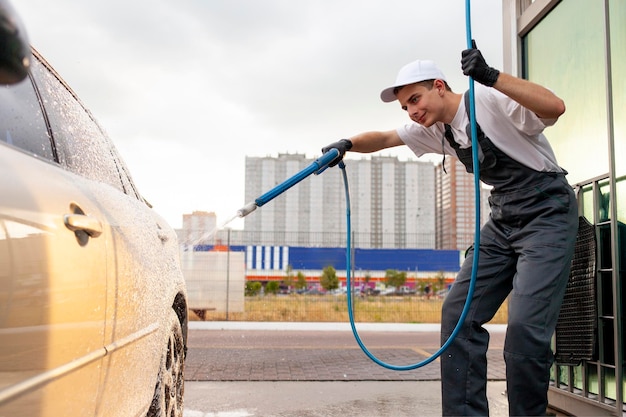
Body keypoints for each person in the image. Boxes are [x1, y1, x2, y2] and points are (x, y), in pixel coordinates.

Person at [322, 45, 578, 416]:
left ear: (439, 86)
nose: (412, 111)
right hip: (504, 219)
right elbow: (383, 138)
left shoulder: (488, 100)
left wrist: (491, 75)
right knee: (458, 314)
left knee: (524, 332)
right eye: (405, 107)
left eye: (415, 99)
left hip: (547, 214)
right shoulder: (436, 131)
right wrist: (345, 145)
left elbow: (554, 106)